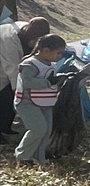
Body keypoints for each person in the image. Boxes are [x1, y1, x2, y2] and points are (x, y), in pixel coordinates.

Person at [12, 33, 67, 164]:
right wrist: (48, 82)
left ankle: (38, 157)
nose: (60, 56)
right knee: (38, 129)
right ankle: (23, 156)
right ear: (46, 50)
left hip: (45, 103)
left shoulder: (50, 63)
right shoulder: (29, 64)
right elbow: (28, 82)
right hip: (27, 103)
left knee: (46, 131)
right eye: (58, 53)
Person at [0, 16, 51, 140]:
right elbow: (12, 68)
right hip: (4, 66)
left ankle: (5, 126)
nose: (34, 43)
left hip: (9, 66)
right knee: (5, 97)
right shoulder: (9, 38)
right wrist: (18, 91)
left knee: (8, 100)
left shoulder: (29, 29)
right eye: (34, 40)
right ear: (29, 35)